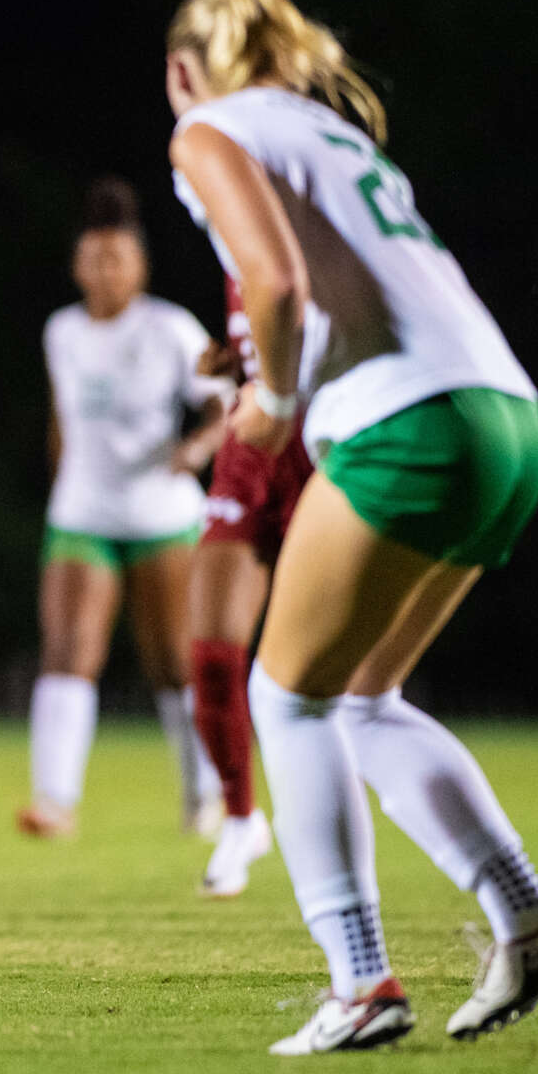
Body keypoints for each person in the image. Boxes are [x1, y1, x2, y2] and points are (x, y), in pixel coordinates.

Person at [163, 0, 538, 1053]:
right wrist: (269, 356)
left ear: (183, 73)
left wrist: (264, 399)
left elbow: (275, 283)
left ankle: (360, 980)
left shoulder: (207, 128)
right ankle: (528, 918)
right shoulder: (323, 123)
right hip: (505, 413)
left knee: (286, 698)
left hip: (404, 421)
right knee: (359, 693)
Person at [22, 178, 229, 841]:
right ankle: (55, 801)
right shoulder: (62, 330)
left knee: (173, 658)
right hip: (82, 514)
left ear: (138, 264)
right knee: (68, 648)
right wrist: (60, 480)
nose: (104, 270)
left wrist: (197, 448)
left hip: (162, 516)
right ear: (77, 264)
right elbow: (62, 420)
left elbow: (226, 401)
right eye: (93, 258)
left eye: (117, 259)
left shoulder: (169, 327)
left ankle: (206, 794)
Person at [187, 285, 310, 900]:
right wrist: (239, 364)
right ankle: (241, 819)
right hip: (251, 443)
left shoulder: (310, 209)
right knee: (210, 658)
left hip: (328, 447)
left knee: (338, 685)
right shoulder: (232, 235)